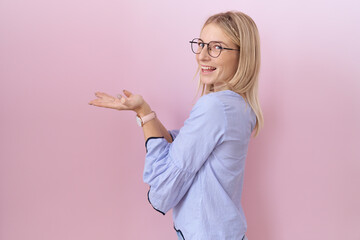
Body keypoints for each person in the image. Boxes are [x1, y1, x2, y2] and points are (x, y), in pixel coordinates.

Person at [89, 10, 263, 240]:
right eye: (201, 44)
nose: (202, 56)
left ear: (243, 55)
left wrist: (143, 113)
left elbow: (166, 183)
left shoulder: (214, 108)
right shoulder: (241, 107)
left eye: (216, 47)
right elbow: (182, 145)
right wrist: (144, 110)